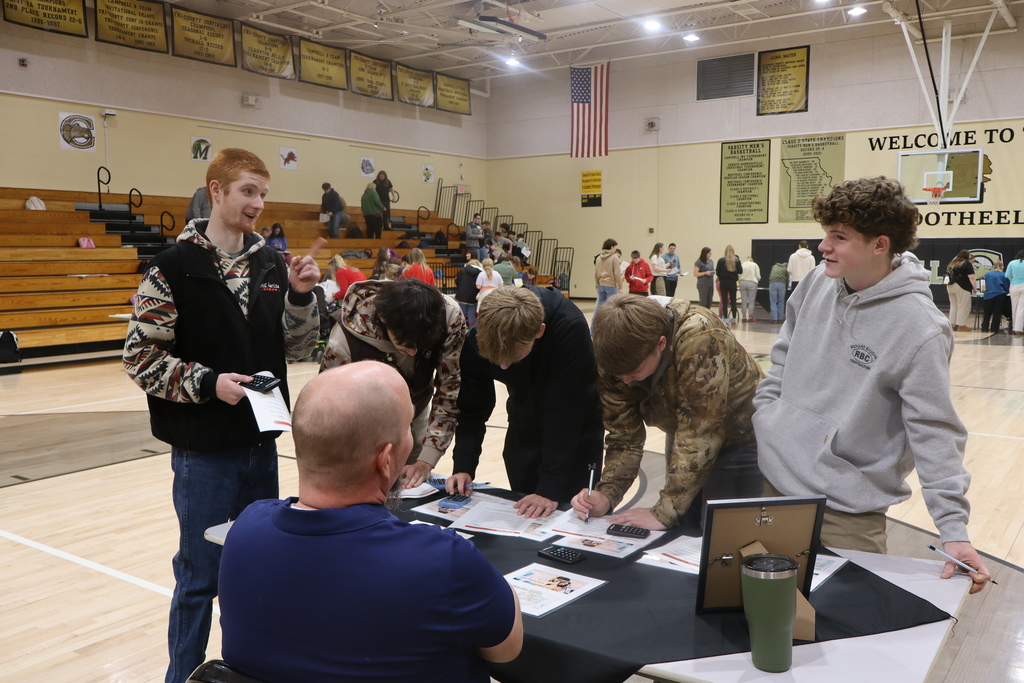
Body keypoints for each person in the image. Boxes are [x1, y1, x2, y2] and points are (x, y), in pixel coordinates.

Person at [122, 148, 321, 683]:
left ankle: (250, 670)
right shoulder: (171, 267)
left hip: (263, 443)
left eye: (263, 193)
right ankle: (182, 676)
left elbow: (299, 347)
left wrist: (302, 298)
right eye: (247, 192)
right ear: (216, 190)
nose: (258, 203)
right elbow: (139, 359)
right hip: (204, 451)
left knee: (260, 566)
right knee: (198, 577)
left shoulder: (272, 264)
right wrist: (210, 383)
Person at [753, 176, 991, 593]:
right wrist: (770, 413)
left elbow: (934, 430)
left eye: (839, 237)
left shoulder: (920, 328)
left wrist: (954, 529)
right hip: (776, 479)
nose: (823, 246)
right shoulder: (815, 283)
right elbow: (783, 353)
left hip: (846, 509)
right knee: (763, 615)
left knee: (847, 631)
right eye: (826, 233)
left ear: (880, 245)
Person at [218, 362, 523, 682]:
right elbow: (506, 650)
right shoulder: (442, 561)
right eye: (408, 427)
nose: (412, 438)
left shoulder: (245, 528)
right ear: (386, 458)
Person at [571, 294, 764, 530]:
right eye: (619, 374)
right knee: (685, 526)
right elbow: (624, 437)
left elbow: (701, 432)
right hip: (683, 431)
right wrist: (607, 494)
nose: (626, 380)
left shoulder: (700, 336)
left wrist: (664, 512)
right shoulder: (613, 359)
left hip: (741, 436)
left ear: (660, 344)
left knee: (725, 534)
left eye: (635, 371)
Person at [449, 286, 604, 516]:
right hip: (524, 421)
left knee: (570, 513)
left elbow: (565, 413)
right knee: (525, 510)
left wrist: (550, 488)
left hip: (577, 430)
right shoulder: (476, 340)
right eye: (495, 359)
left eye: (515, 357)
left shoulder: (568, 327)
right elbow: (472, 409)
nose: (503, 367)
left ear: (539, 331)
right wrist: (463, 466)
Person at [320, 279, 466, 488]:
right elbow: (328, 410)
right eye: (404, 345)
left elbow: (450, 389)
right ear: (383, 319)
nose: (414, 352)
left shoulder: (449, 317)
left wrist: (426, 460)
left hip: (417, 408)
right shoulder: (343, 343)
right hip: (364, 421)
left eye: (422, 346)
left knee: (409, 486)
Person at [946, 249, 977, 332]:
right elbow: (972, 277)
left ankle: (953, 325)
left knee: (953, 306)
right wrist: (974, 288)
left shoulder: (952, 263)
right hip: (962, 286)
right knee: (963, 306)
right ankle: (961, 325)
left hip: (950, 285)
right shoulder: (967, 264)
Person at [594, 238, 623, 312]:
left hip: (601, 285)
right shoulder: (614, 257)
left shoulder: (598, 258)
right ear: (612, 247)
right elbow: (617, 273)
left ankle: (594, 323)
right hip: (611, 285)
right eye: (615, 247)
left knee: (599, 308)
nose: (615, 249)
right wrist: (620, 287)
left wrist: (597, 285)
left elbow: (596, 273)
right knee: (612, 308)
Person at [715, 245, 742, 323]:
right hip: (733, 282)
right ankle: (734, 318)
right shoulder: (736, 260)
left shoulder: (721, 260)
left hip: (723, 282)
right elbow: (740, 271)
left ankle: (725, 317)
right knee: (733, 300)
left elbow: (718, 272)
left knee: (724, 300)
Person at [982, 260, 1009, 333]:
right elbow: (1006, 285)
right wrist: (1006, 292)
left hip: (988, 295)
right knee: (997, 313)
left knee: (987, 313)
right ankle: (994, 328)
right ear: (1002, 267)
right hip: (1000, 294)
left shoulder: (988, 274)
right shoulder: (1004, 275)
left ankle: (984, 328)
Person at [456, 258, 483, 326]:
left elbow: (457, 281)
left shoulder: (463, 270)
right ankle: (471, 330)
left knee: (462, 313)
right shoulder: (479, 272)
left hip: (462, 295)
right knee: (472, 314)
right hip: (473, 296)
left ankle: (462, 328)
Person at [1005, 249, 1024, 335]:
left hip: (1014, 286)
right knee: (1021, 308)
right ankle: (1018, 329)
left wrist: (1013, 279)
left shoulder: (1012, 263)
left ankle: (1014, 328)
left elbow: (1007, 275)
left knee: (1014, 307)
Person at [738, 255, 761, 322]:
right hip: (752, 283)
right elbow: (758, 276)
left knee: (743, 300)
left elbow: (739, 274)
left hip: (742, 282)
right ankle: (750, 317)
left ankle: (744, 316)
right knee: (751, 301)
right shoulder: (754, 265)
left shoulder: (742, 264)